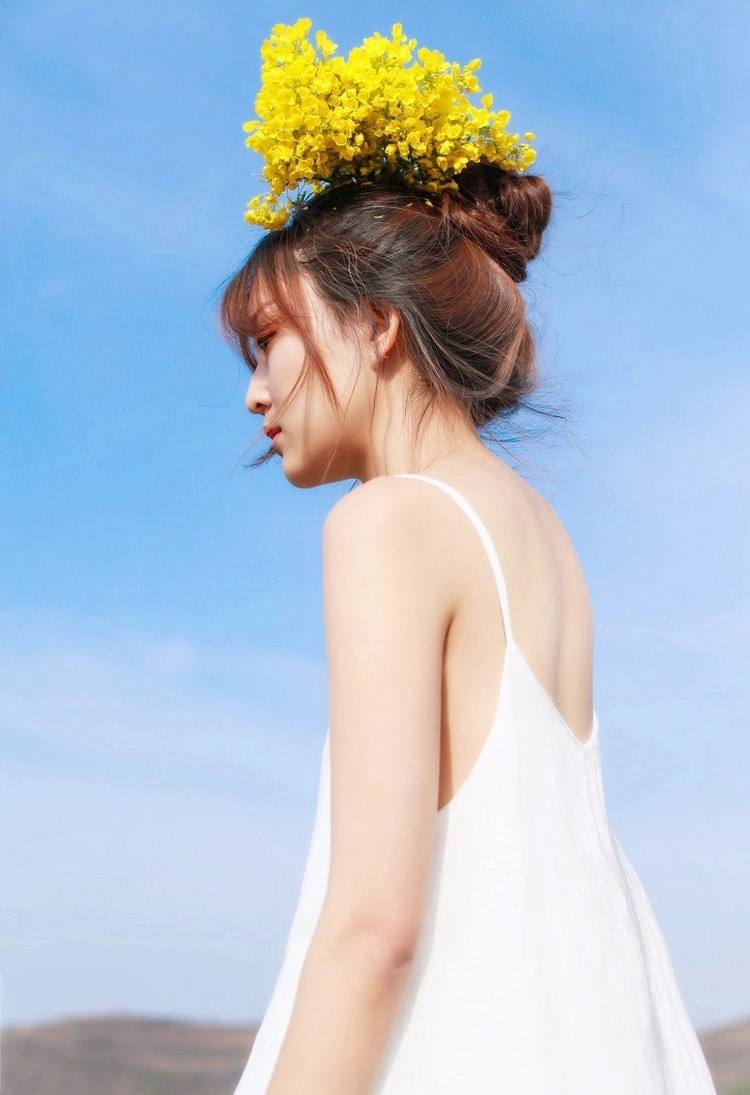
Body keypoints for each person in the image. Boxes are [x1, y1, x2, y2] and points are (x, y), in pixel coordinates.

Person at [219, 21, 718, 1095]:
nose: (255, 392)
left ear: (376, 325)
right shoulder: (535, 530)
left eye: (270, 341)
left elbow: (374, 930)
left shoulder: (390, 522)